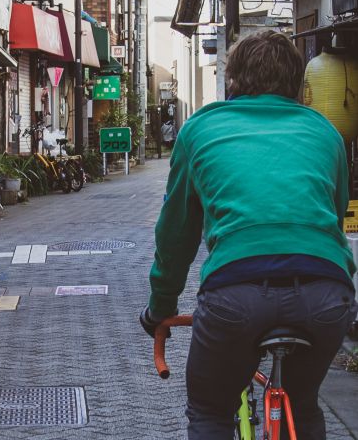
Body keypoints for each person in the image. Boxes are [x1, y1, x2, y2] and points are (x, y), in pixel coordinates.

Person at [139, 30, 357, 439]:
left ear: (232, 79)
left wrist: (160, 307)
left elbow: (176, 236)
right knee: (303, 400)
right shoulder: (324, 132)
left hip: (235, 294)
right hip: (325, 292)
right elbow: (337, 211)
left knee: (210, 408)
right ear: (297, 83)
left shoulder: (200, 129)